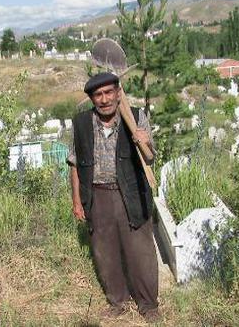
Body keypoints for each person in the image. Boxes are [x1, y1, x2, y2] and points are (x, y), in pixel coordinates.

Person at [67, 72, 160, 322]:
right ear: (92, 99)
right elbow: (74, 164)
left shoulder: (137, 118)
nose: (104, 99)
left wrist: (144, 142)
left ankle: (148, 305)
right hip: (96, 195)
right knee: (104, 251)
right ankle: (117, 301)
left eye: (109, 92)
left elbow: (150, 159)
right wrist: (77, 201)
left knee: (140, 251)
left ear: (119, 93)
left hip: (131, 193)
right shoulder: (81, 124)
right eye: (98, 94)